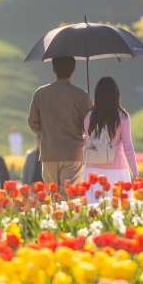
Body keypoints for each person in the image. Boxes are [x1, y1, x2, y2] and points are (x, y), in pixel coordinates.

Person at [28, 56, 94, 191]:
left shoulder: (40, 93)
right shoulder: (81, 95)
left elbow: (33, 123)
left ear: (54, 70)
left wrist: (49, 130)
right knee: (68, 196)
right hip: (72, 153)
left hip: (49, 153)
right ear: (74, 70)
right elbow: (90, 126)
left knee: (54, 196)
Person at [81, 76, 138, 204]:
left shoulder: (89, 116)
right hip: (118, 170)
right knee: (118, 210)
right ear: (116, 95)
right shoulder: (122, 117)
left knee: (93, 211)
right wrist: (135, 172)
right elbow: (128, 147)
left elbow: (88, 141)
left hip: (93, 170)